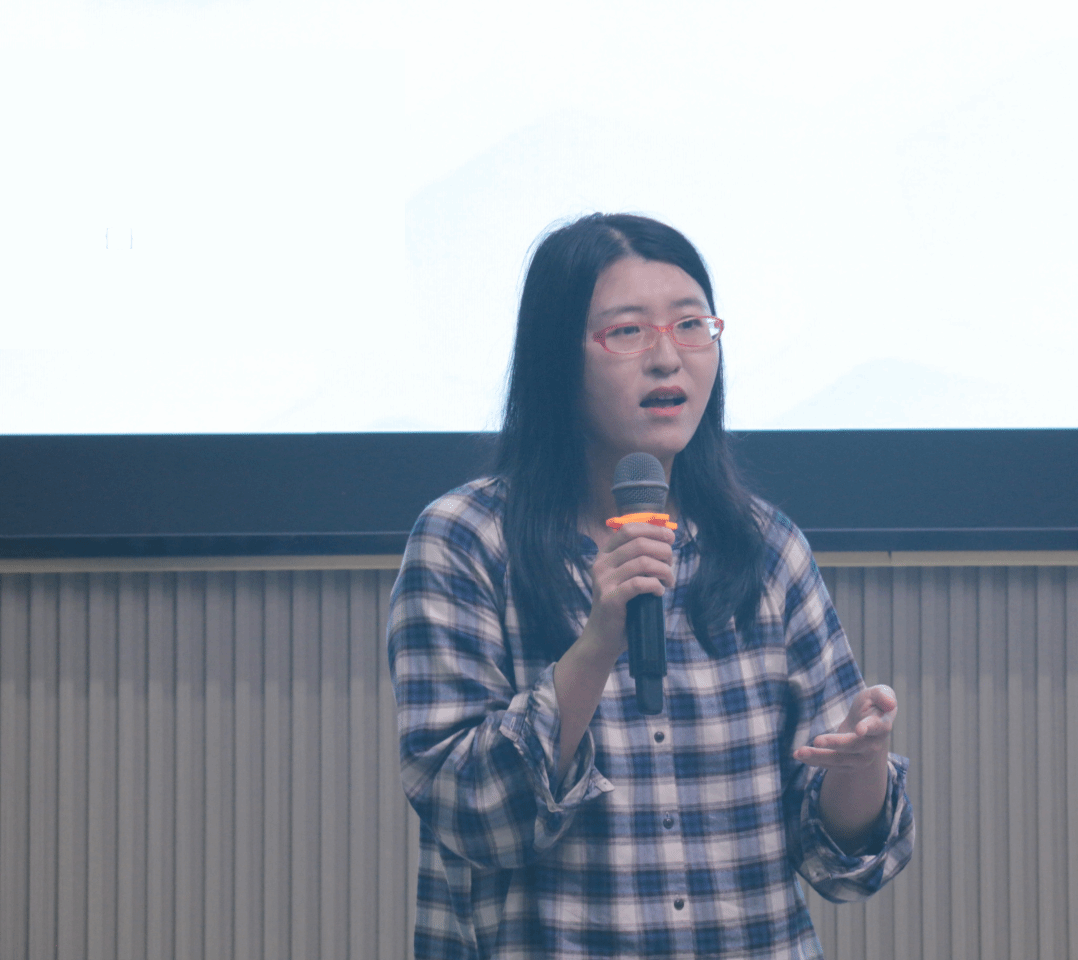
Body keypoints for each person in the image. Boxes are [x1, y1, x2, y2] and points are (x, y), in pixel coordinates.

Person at [388, 213, 914, 959]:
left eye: (692, 326)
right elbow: (473, 818)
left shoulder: (765, 548)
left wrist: (859, 772)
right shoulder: (466, 541)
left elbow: (844, 863)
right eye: (628, 332)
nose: (668, 359)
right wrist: (598, 642)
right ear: (556, 359)